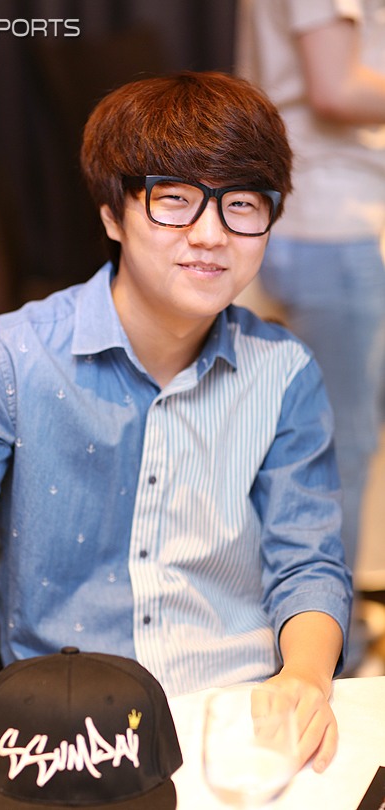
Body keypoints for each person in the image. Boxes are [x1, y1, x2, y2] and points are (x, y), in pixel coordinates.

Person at [0, 71, 352, 773]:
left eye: (243, 205)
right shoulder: (17, 359)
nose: (211, 234)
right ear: (111, 215)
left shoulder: (284, 372)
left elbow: (307, 563)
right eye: (175, 201)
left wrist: (304, 677)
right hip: (77, 737)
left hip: (240, 719)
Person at [236, 0, 385, 668]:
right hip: (331, 221)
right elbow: (335, 86)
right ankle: (335, 658)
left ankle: (331, 632)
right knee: (338, 449)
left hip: (331, 217)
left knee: (333, 442)